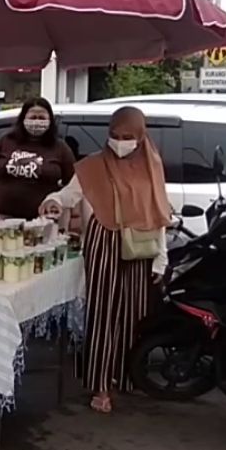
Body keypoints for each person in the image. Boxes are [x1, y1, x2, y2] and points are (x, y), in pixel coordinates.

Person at [40, 107, 169, 413]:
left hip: (140, 246)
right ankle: (100, 384)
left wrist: (161, 257)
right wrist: (52, 202)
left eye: (128, 137)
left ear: (140, 137)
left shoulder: (151, 167)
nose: (120, 142)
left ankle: (125, 378)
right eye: (115, 136)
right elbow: (68, 195)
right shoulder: (93, 166)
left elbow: (159, 213)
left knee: (133, 314)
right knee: (103, 314)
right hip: (104, 242)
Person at [0, 97, 75, 227]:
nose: (37, 122)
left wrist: (73, 217)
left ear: (50, 121)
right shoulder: (6, 141)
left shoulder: (60, 148)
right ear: (23, 119)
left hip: (41, 221)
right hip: (1, 218)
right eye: (33, 117)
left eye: (41, 118)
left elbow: (72, 184)